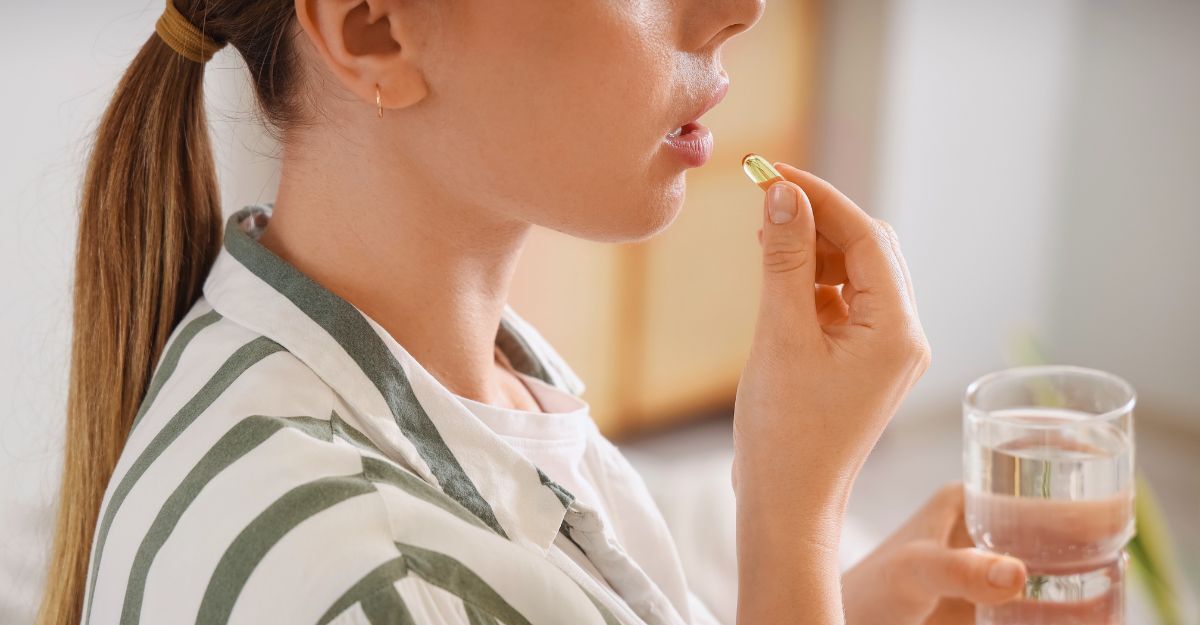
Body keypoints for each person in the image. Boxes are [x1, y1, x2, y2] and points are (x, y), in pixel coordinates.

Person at [38, 1, 1029, 624]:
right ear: (373, 29)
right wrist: (794, 527)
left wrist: (839, 604)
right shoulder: (379, 581)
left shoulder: (447, 371)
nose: (738, 9)